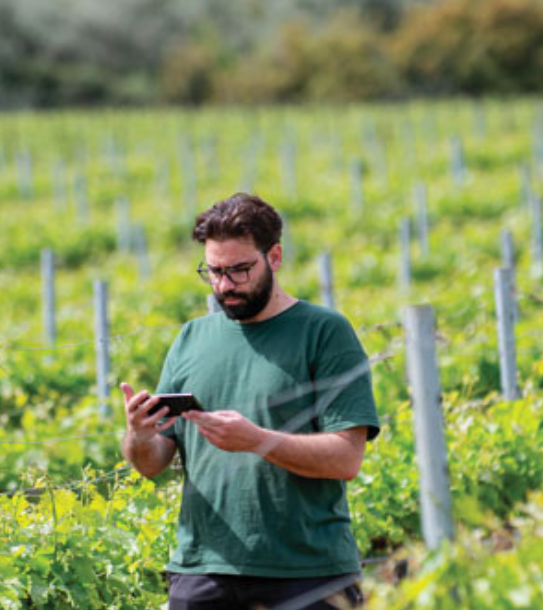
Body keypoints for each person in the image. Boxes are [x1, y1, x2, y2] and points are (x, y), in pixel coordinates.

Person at [121, 193, 380, 610]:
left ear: (274, 257)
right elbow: (153, 463)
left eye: (240, 270)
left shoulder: (324, 332)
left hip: (307, 573)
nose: (225, 286)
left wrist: (257, 440)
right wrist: (138, 435)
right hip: (202, 570)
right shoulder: (191, 339)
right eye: (214, 272)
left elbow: (347, 458)